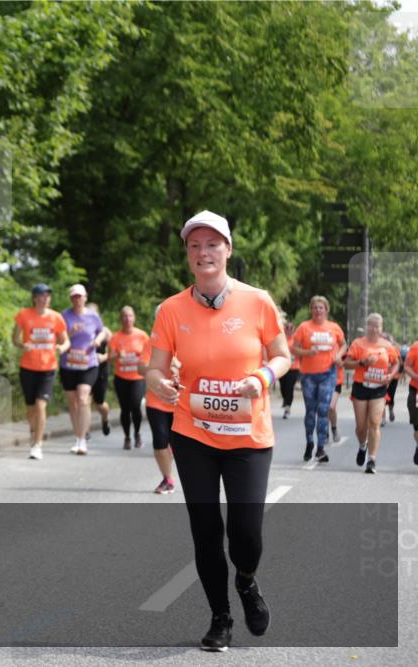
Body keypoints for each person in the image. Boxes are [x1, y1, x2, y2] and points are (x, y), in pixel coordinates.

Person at [147, 210, 290, 652]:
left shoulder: (258, 301)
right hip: (193, 435)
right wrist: (161, 385)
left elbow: (282, 355)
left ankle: (246, 581)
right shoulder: (171, 310)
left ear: (228, 250)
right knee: (206, 529)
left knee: (245, 533)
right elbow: (152, 369)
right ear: (188, 255)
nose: (203, 252)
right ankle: (220, 617)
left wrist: (262, 378)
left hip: (248, 436)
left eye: (212, 244)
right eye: (195, 245)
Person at [13, 284, 69, 459]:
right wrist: (23, 344)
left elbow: (66, 341)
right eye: (41, 296)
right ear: (35, 298)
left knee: (40, 405)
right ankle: (33, 429)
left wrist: (62, 347)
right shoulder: (24, 315)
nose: (45, 299)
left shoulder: (56, 317)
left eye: (47, 296)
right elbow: (15, 339)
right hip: (28, 367)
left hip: (48, 368)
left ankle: (37, 444)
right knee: (30, 409)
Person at [343, 314, 401, 474]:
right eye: (371, 325)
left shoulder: (387, 345)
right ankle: (363, 446)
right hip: (361, 387)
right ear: (366, 326)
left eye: (377, 325)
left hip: (379, 388)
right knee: (361, 427)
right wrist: (363, 362)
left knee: (374, 422)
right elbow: (346, 364)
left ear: (382, 328)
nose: (374, 328)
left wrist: (391, 375)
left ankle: (372, 459)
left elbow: (396, 362)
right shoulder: (358, 343)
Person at [291, 296, 346, 463]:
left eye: (321, 307)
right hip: (308, 375)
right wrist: (308, 352)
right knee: (310, 412)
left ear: (326, 310)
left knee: (323, 410)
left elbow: (344, 344)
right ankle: (309, 443)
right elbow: (294, 349)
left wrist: (338, 355)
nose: (318, 310)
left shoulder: (334, 327)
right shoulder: (304, 327)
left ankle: (321, 447)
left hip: (328, 374)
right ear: (311, 310)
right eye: (315, 307)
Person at [59, 284, 104, 454]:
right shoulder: (64, 316)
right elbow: (59, 337)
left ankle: (83, 439)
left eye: (80, 296)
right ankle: (77, 437)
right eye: (74, 297)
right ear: (71, 299)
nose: (77, 299)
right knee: (72, 402)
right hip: (69, 363)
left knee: (83, 398)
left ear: (85, 298)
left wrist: (97, 341)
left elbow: (103, 331)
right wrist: (70, 332)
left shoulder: (93, 316)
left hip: (88, 363)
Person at [138, 305, 179, 494]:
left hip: (181, 403)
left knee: (181, 445)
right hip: (157, 401)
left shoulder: (187, 339)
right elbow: (141, 368)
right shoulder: (152, 343)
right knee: (160, 440)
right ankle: (168, 479)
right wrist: (157, 372)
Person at [109, 306, 149, 449]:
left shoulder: (142, 336)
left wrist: (143, 359)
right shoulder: (115, 337)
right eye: (125, 316)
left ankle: (137, 433)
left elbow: (149, 354)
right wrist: (118, 355)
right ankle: (127, 437)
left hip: (137, 377)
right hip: (121, 378)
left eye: (130, 316)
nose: (127, 319)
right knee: (125, 409)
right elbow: (110, 359)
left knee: (136, 406)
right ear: (121, 319)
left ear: (134, 318)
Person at [87, 302, 114, 437]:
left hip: (101, 370)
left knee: (99, 404)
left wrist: (103, 357)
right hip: (85, 369)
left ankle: (105, 418)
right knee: (84, 399)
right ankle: (85, 431)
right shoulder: (84, 330)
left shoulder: (106, 332)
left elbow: (115, 352)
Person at [279, 318, 300, 419]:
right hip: (282, 367)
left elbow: (300, 351)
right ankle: (285, 399)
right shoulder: (281, 339)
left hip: (294, 367)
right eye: (287, 328)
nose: (289, 329)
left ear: (294, 329)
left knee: (289, 387)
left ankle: (287, 408)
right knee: (283, 387)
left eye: (291, 328)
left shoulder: (296, 340)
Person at [404, 340, 418, 465]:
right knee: (417, 427)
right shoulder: (415, 347)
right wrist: (415, 376)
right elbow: (407, 366)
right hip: (416, 390)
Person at [329, 363, 345, 445]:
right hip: (321, 378)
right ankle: (324, 431)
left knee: (331, 407)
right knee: (322, 407)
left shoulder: (341, 349)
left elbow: (345, 362)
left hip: (336, 380)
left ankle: (334, 428)